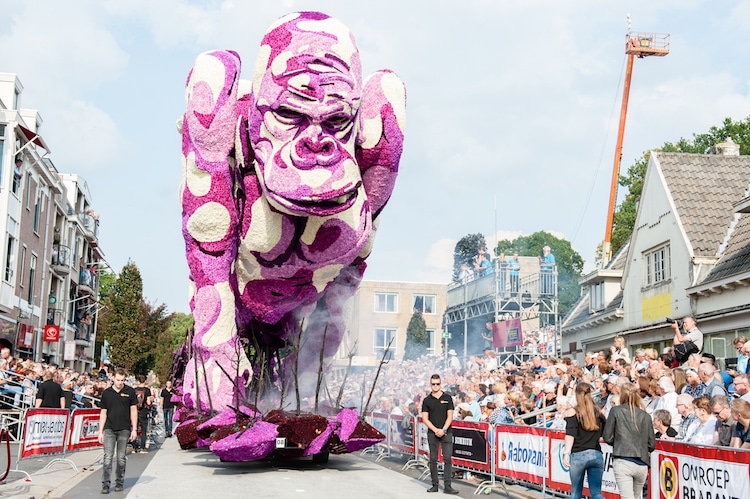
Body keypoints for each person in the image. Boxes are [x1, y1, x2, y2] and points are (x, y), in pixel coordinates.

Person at [603, 383, 655, 499]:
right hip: (641, 462)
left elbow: (606, 436)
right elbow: (652, 444)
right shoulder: (645, 415)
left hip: (623, 459)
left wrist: (617, 443)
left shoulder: (616, 411)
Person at [98, 368, 138, 494]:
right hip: (109, 428)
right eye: (118, 380)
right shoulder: (107, 393)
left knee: (121, 458)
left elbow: (133, 410)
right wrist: (100, 431)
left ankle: (119, 482)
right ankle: (105, 484)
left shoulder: (130, 392)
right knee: (108, 457)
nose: (120, 383)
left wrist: (134, 429)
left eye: (122, 380)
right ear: (113, 379)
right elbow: (103, 412)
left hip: (124, 429)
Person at [563, 383, 606, 499]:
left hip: (578, 454)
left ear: (577, 395)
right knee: (596, 493)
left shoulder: (573, 412)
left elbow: (570, 434)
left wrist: (566, 453)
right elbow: (604, 434)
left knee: (576, 492)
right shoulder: (598, 412)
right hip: (596, 453)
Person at [421, 374, 458, 494]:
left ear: (440, 384)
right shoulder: (427, 400)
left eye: (437, 384)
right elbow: (425, 418)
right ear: (430, 384)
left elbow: (450, 416)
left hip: (447, 432)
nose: (435, 386)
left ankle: (448, 486)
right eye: (433, 384)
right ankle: (434, 484)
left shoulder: (448, 398)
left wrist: (444, 429)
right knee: (433, 459)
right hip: (432, 433)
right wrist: (436, 430)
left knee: (447, 458)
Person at [133, 375, 152, 453]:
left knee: (135, 428)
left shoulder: (134, 390)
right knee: (144, 430)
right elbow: (148, 402)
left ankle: (134, 447)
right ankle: (142, 447)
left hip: (135, 411)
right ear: (145, 381)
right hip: (143, 411)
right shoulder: (147, 390)